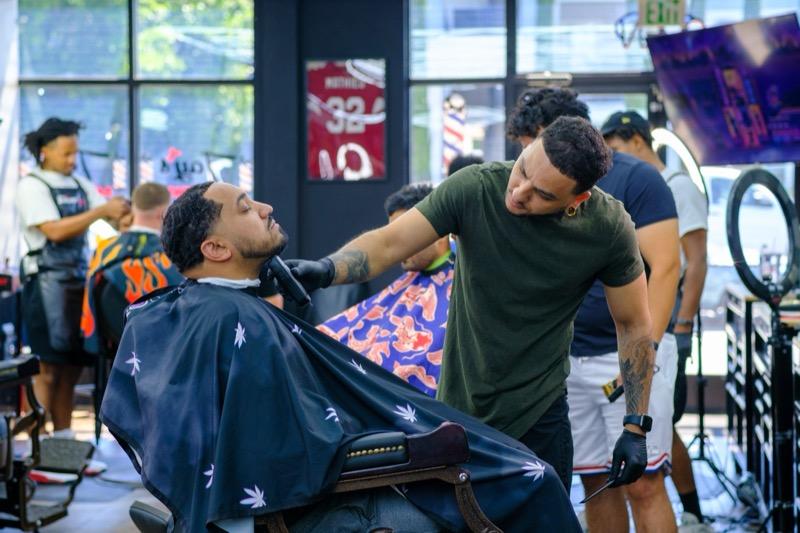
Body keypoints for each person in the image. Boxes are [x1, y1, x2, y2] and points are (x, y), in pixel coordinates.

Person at [100, 182, 581, 532]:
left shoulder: (183, 308)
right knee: (531, 475)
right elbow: (298, 443)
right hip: (307, 498)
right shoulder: (239, 320)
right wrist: (414, 438)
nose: (267, 207)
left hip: (223, 497)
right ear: (217, 247)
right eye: (246, 208)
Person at [284, 115, 658, 492]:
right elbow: (389, 244)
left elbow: (633, 326)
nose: (518, 192)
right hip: (458, 411)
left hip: (539, 414)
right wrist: (326, 269)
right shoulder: (475, 188)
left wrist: (635, 425)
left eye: (542, 194)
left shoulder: (608, 228)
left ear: (578, 199)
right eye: (523, 169)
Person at [508, 90, 681, 532]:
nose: (530, 159)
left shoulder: (638, 180)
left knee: (643, 482)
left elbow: (666, 269)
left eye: (535, 143)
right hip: (568, 357)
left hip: (626, 355)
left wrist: (646, 358)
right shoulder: (533, 189)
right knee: (594, 480)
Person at [601, 110, 710, 528]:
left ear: (637, 140)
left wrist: (680, 326)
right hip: (642, 323)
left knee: (661, 426)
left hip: (666, 321)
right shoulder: (636, 186)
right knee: (661, 427)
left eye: (616, 146)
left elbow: (694, 261)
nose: (611, 156)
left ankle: (693, 511)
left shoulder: (676, 187)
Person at [15, 117, 129, 437]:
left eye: (75, 153)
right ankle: (38, 448)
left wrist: (126, 212)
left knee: (72, 366)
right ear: (44, 152)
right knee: (49, 368)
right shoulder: (32, 186)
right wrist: (101, 211)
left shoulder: (80, 184)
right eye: (66, 154)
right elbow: (54, 230)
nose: (71, 161)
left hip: (79, 281)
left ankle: (64, 447)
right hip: (45, 284)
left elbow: (112, 218)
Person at [319, 183, 454, 396]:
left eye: (404, 237)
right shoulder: (406, 283)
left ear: (436, 232)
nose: (397, 247)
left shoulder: (463, 281)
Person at [81, 183, 184, 355]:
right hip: (165, 349)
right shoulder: (174, 252)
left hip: (114, 342)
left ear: (133, 209)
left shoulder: (104, 249)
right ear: (164, 214)